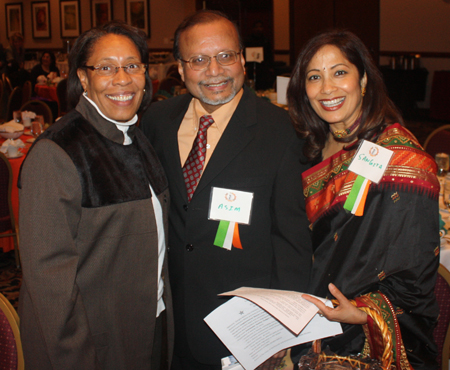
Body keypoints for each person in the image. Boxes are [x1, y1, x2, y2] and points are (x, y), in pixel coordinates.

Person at [141, 10, 312, 370]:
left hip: (240, 326)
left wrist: (279, 327)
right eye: (199, 60)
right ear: (181, 68)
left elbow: (291, 241)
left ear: (242, 60)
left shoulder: (278, 130)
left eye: (225, 56)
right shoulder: (157, 122)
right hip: (168, 321)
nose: (215, 71)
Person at [18, 21, 173, 370]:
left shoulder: (136, 136)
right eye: (105, 68)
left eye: (132, 65)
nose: (122, 78)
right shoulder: (57, 152)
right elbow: (50, 286)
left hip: (149, 325)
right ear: (83, 79)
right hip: (96, 344)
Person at [287, 30, 440, 369]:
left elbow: (415, 267)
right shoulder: (308, 148)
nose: (327, 88)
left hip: (355, 334)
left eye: (339, 72)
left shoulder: (401, 159)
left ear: (364, 79)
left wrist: (365, 312)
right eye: (314, 77)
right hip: (301, 316)